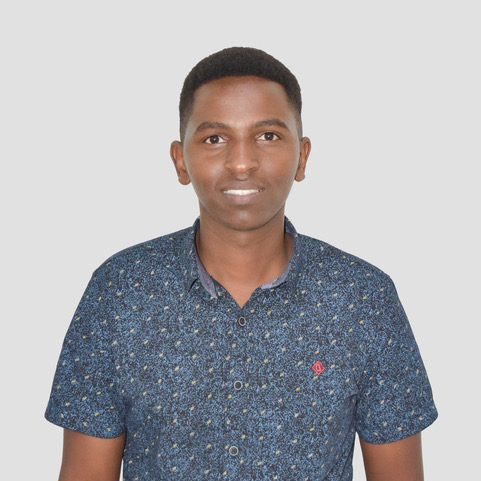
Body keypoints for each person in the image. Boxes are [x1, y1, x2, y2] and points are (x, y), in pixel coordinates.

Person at [45, 47, 438, 481]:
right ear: (180, 161)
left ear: (302, 156)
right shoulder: (120, 292)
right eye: (215, 138)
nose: (241, 163)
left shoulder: (363, 299)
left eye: (267, 135)